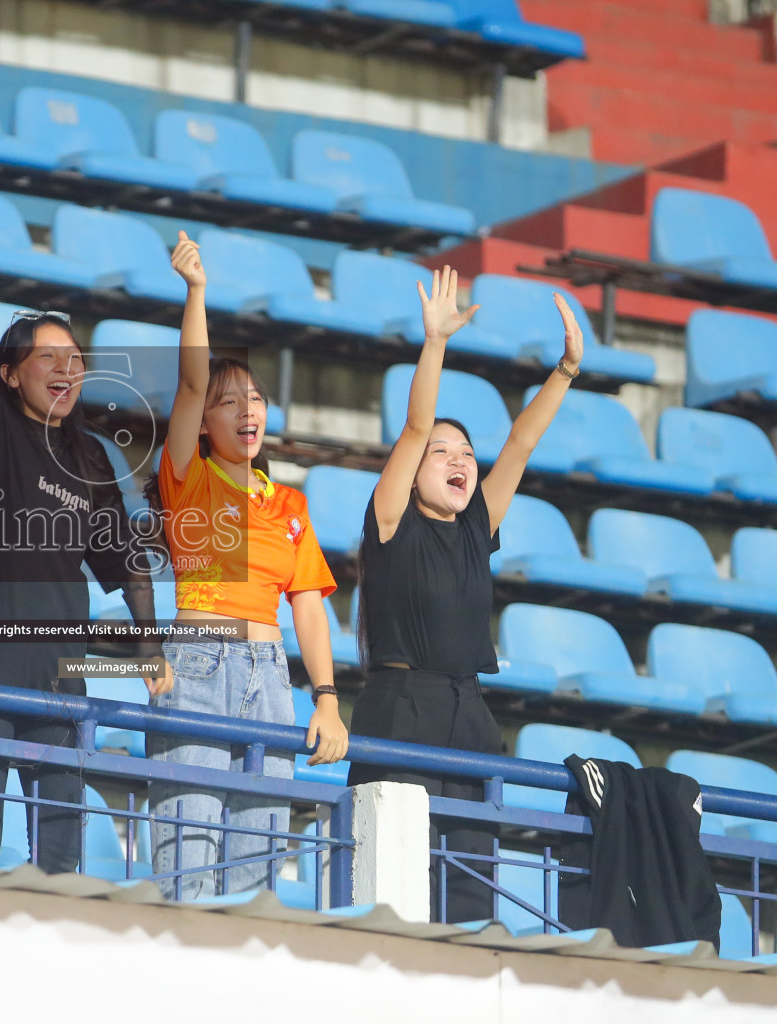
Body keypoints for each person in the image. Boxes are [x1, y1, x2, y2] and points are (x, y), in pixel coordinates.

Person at [348, 266, 584, 923]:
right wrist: (435, 343)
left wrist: (564, 370)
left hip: (469, 713)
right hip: (402, 710)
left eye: (466, 453)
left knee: (473, 883)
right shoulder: (391, 520)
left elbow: (523, 441)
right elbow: (416, 426)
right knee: (397, 884)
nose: (457, 460)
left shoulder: (478, 523)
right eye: (441, 452)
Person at [0, 209, 160, 873]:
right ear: (10, 374)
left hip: (60, 678)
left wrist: (150, 649)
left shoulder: (90, 458)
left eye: (76, 359)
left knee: (61, 865)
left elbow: (126, 563)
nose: (66, 368)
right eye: (48, 358)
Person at [143, 231, 349, 900]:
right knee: (189, 868)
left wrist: (327, 700)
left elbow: (310, 606)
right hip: (200, 663)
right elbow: (192, 378)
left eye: (255, 399)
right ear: (202, 423)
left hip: (269, 676)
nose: (247, 410)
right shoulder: (188, 477)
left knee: (256, 877)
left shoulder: (287, 500)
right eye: (230, 402)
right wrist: (197, 292)